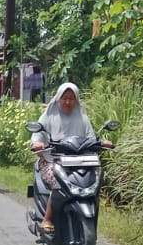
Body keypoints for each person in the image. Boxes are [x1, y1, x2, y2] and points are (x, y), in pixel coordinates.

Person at [30, 82, 98, 234]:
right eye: (64, 98)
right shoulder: (48, 116)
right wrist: (38, 143)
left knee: (94, 181)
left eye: (71, 99)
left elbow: (91, 137)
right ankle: (47, 218)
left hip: (79, 161)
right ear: (58, 98)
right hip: (51, 160)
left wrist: (100, 143)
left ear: (76, 100)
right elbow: (37, 135)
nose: (68, 102)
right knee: (58, 183)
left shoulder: (82, 118)